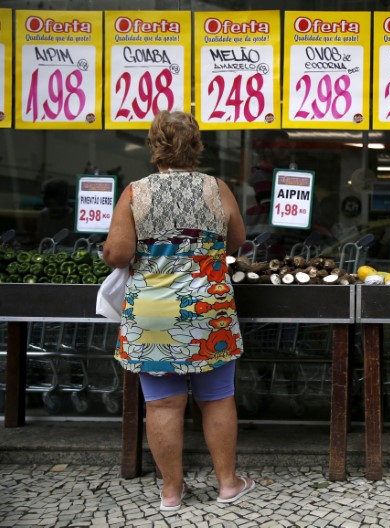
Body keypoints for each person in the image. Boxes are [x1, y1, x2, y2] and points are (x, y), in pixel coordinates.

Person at [102, 111, 254, 510]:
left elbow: (119, 254)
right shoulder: (214, 188)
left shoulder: (136, 192)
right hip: (208, 304)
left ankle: (171, 490)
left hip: (155, 305)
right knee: (218, 396)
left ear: (155, 146)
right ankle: (228, 484)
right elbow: (236, 240)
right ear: (196, 146)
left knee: (163, 403)